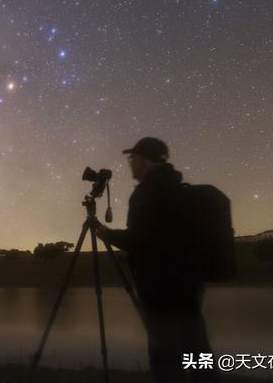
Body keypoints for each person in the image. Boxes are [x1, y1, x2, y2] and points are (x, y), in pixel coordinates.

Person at [95, 137, 221, 383]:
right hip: (189, 288)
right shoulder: (178, 188)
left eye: (133, 158)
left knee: (165, 362)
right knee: (198, 356)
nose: (130, 163)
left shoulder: (146, 193)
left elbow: (140, 240)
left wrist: (106, 234)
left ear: (144, 160)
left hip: (160, 291)